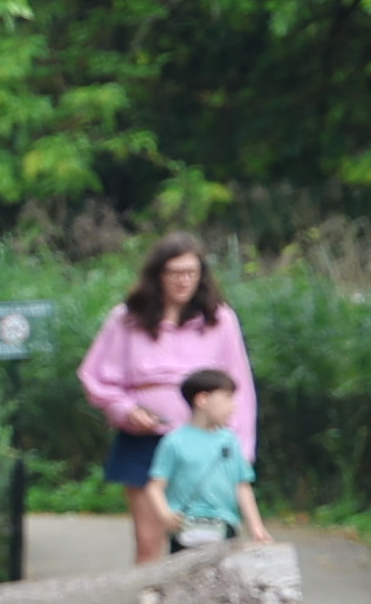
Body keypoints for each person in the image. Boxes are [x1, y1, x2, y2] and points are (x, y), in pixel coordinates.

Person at [75, 236, 251, 565]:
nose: (183, 280)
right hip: (146, 443)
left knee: (201, 542)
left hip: (204, 445)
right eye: (174, 272)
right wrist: (126, 410)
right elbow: (95, 376)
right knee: (148, 541)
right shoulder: (126, 319)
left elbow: (239, 386)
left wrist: (241, 449)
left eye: (191, 272)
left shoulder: (220, 320)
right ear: (158, 275)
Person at [152, 362, 257, 554]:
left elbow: (242, 486)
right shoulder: (174, 441)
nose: (233, 407)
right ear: (202, 400)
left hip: (224, 524)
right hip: (185, 525)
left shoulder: (231, 441)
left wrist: (256, 528)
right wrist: (164, 514)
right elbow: (155, 486)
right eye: (227, 398)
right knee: (182, 579)